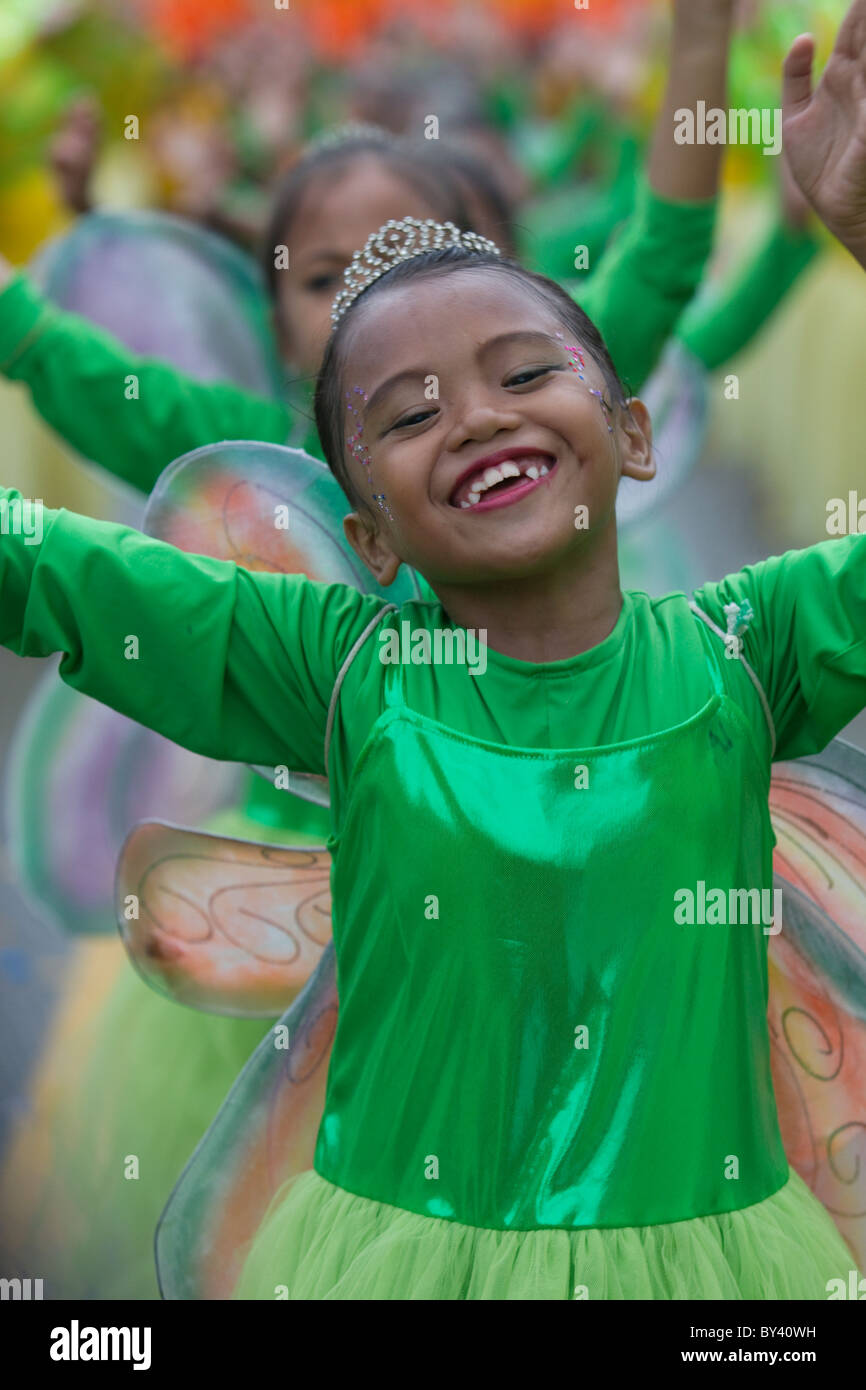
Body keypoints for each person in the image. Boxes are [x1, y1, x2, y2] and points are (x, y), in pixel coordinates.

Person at [2, 0, 866, 1301]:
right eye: (405, 409)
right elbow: (50, 570)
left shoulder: (754, 650)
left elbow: (666, 250)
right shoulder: (334, 663)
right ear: (364, 531)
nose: (471, 414)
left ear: (631, 434)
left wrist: (729, 83)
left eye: (524, 373)